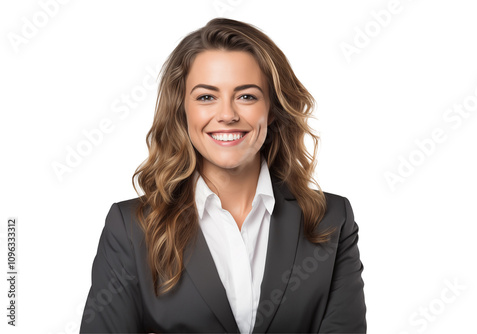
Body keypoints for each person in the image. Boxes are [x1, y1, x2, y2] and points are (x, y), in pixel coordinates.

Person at [79, 17, 366, 334]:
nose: (227, 115)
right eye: (206, 97)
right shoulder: (131, 228)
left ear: (271, 109)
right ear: (182, 109)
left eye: (247, 96)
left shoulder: (331, 220)